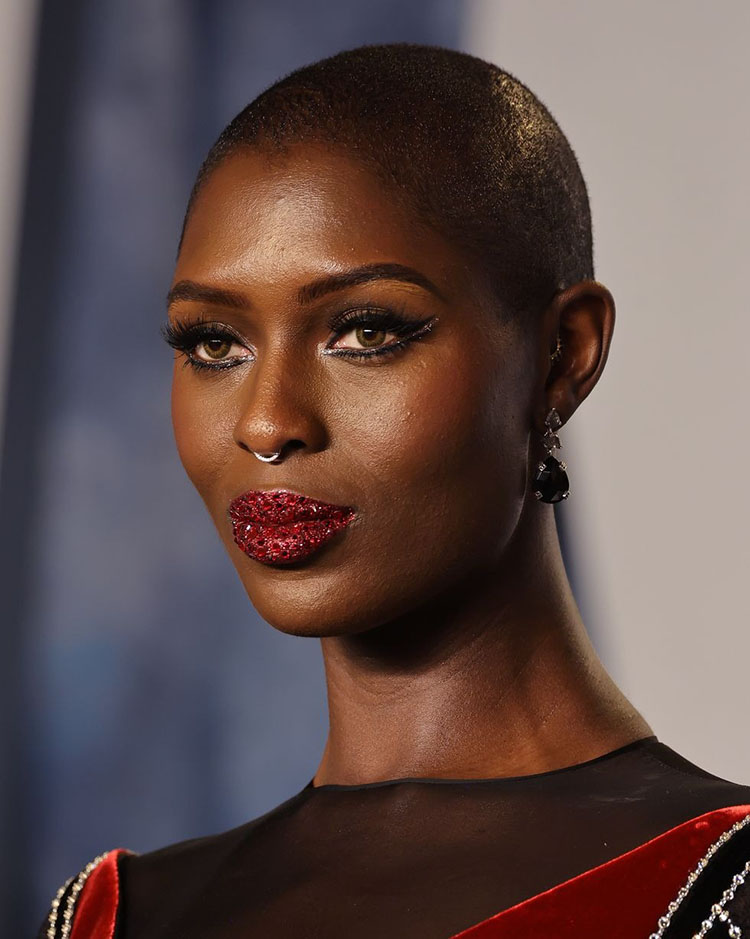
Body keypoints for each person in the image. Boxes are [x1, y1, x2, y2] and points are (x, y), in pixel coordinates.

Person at [38, 42, 750, 939]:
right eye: (215, 343)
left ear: (562, 355)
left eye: (365, 330)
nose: (265, 423)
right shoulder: (112, 916)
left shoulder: (718, 884)